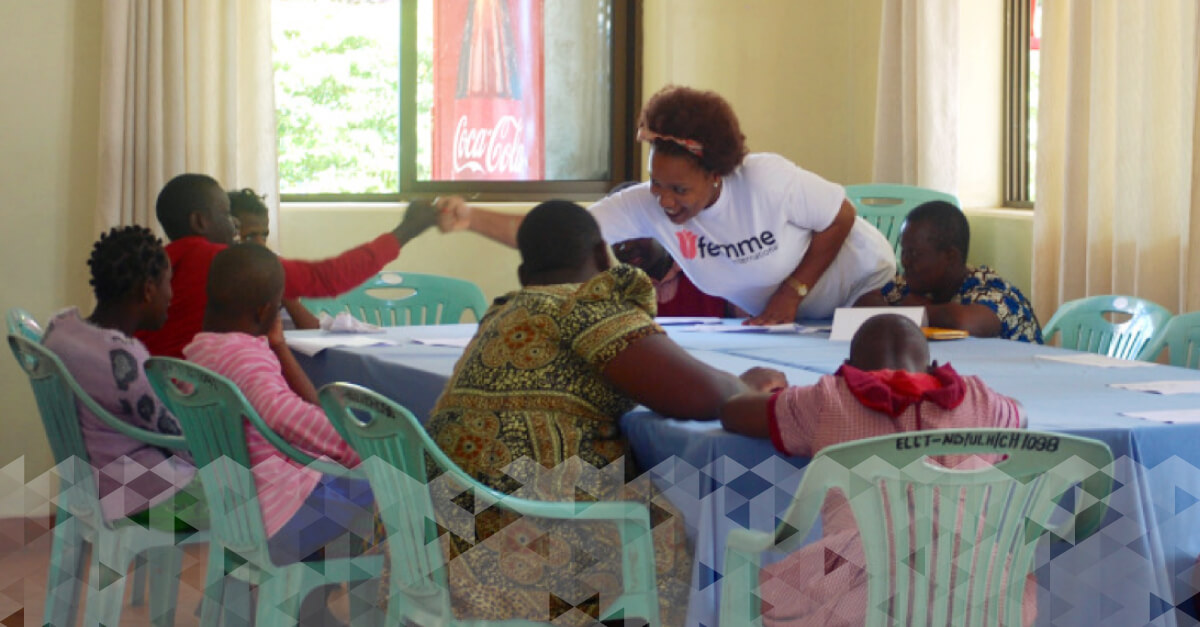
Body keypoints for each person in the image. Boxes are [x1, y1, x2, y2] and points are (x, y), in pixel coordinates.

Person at [424, 200, 785, 625]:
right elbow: (696, 395)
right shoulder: (587, 304)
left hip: (437, 532)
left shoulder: (505, 309)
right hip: (518, 537)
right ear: (601, 254)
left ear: (525, 274)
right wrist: (746, 383)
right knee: (688, 524)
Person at [429, 85, 896, 325]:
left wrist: (792, 291)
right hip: (790, 323)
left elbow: (841, 215)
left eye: (680, 190)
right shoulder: (644, 207)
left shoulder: (765, 179)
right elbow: (556, 234)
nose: (665, 200)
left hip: (857, 281)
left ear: (716, 173)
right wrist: (469, 218)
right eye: (657, 183)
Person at [720, 314, 1033, 626]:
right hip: (974, 590)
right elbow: (1020, 415)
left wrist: (752, 387)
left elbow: (733, 413)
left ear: (848, 368)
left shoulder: (825, 399)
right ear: (931, 365)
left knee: (781, 590)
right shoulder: (979, 401)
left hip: (852, 592)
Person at [183, 244, 374, 623]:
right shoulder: (244, 358)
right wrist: (355, 445)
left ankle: (289, 600)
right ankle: (310, 603)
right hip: (278, 519)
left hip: (237, 511)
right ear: (266, 310)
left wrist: (279, 345)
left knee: (340, 478)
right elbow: (280, 411)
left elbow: (300, 408)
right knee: (381, 486)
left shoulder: (204, 351)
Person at [137, 173, 437, 357]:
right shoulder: (227, 263)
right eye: (228, 215)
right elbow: (328, 278)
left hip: (155, 406)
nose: (235, 225)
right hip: (196, 417)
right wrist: (406, 231)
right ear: (200, 221)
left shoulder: (154, 263)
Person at [41, 226, 198, 526]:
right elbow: (181, 441)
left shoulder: (62, 332)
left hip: (92, 483)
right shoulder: (121, 359)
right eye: (168, 283)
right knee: (250, 501)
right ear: (148, 290)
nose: (171, 295)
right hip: (140, 497)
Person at [855, 200, 1043, 342]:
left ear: (950, 257)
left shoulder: (993, 291)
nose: (905, 262)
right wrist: (908, 312)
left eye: (914, 254)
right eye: (904, 251)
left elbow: (963, 323)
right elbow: (865, 303)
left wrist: (918, 310)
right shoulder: (910, 285)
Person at [228, 187, 321, 330]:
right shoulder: (222, 274)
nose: (260, 244)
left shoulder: (274, 265)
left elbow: (312, 330)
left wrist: (285, 291)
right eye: (250, 236)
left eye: (264, 235)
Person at [611, 237, 732, 317]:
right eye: (616, 238)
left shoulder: (709, 273)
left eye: (636, 234)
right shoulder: (610, 291)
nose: (626, 247)